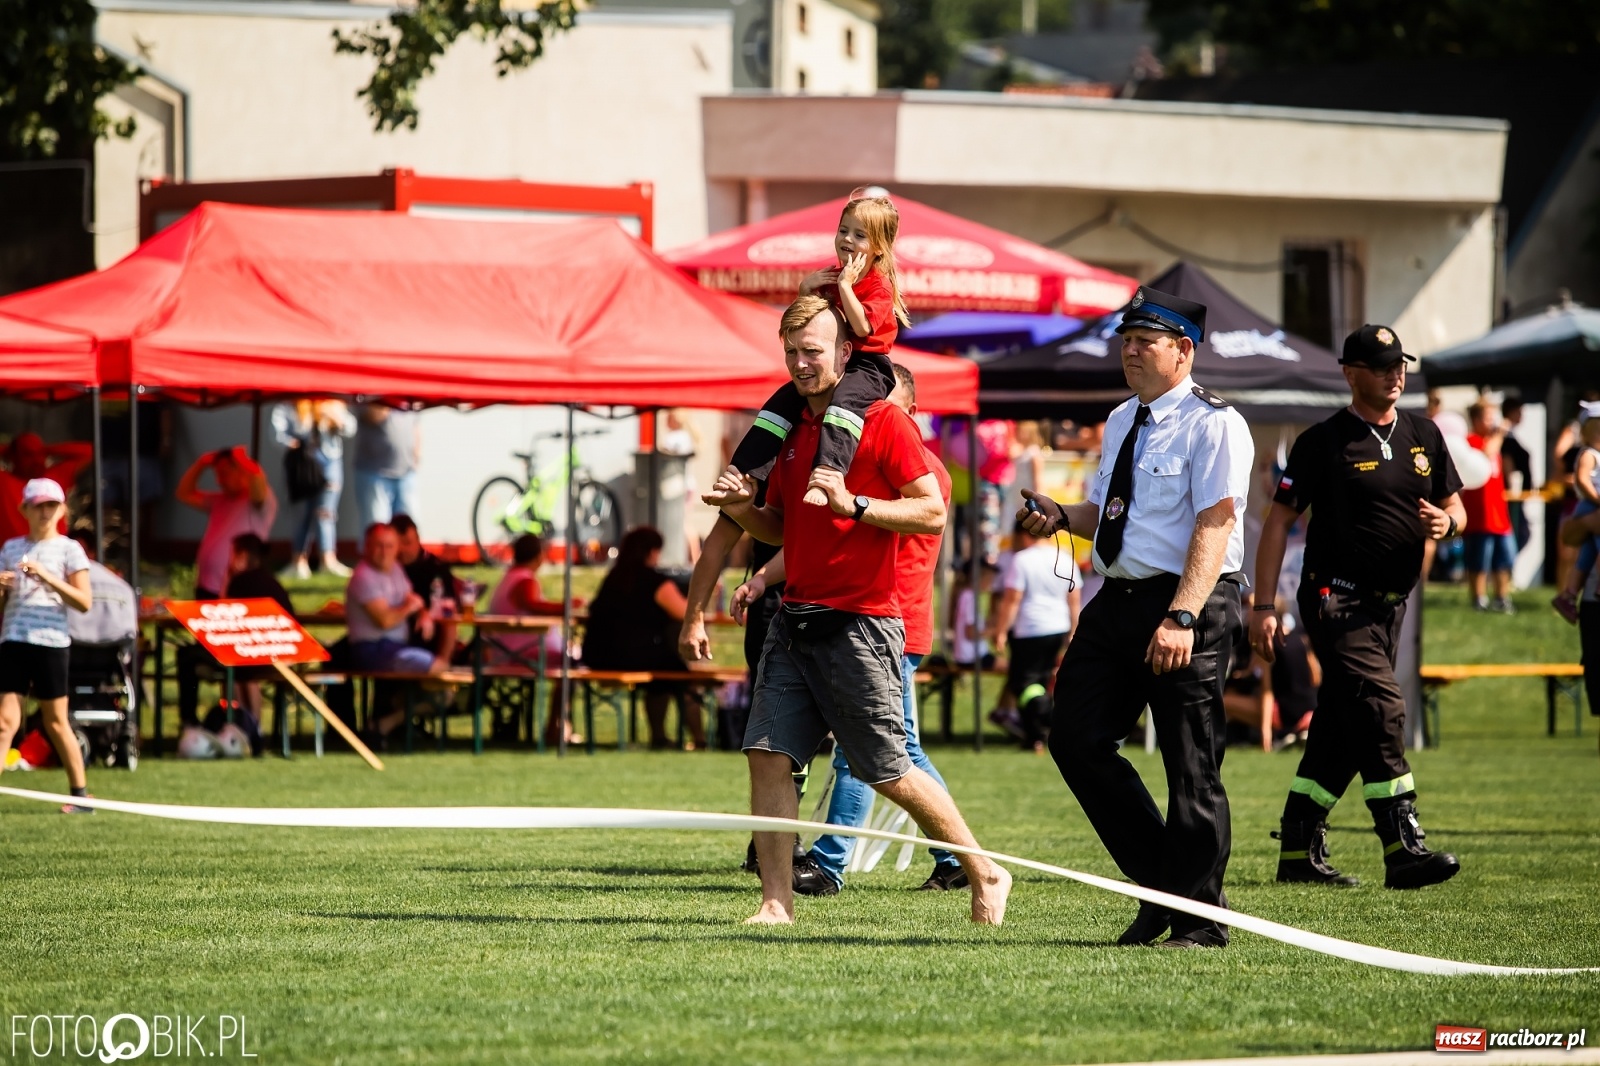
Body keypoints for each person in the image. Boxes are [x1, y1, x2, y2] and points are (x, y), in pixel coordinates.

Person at [712, 294, 1012, 926]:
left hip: (861, 626)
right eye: (790, 352)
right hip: (795, 620)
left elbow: (931, 510)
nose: (800, 363)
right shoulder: (791, 426)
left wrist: (856, 506)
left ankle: (982, 867)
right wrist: (743, 507)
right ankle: (776, 903)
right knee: (768, 754)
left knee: (886, 769)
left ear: (847, 353)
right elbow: (781, 529)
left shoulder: (883, 421)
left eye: (813, 351)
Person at [1017, 285, 1252, 949]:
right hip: (1116, 600)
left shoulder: (1216, 422)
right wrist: (1062, 515)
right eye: (1125, 340)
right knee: (1074, 738)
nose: (1129, 351)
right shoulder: (1122, 418)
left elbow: (1215, 523)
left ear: (1184, 349)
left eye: (1143, 341)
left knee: (1190, 765)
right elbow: (1111, 515)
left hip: (1187, 602)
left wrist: (1182, 616)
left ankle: (1200, 921)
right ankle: (1162, 889)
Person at [732, 362, 967, 895]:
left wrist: (854, 502)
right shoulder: (829, 444)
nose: (859, 418)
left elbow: (919, 516)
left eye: (875, 408)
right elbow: (811, 538)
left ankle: (837, 862)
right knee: (885, 750)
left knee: (877, 754)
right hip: (819, 615)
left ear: (909, 413)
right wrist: (763, 576)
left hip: (887, 623)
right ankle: (952, 860)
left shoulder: (915, 463)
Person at [1252, 323, 1466, 892]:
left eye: (1400, 364)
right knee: (1381, 707)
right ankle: (1402, 847)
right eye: (1380, 366)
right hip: (1334, 596)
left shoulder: (1425, 433)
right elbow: (1278, 523)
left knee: (1345, 726)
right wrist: (1262, 606)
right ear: (1350, 374)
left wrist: (1449, 524)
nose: (1395, 374)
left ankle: (1297, 846)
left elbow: (1455, 508)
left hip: (1389, 607)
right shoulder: (1322, 441)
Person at [707, 195, 908, 505]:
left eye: (859, 235)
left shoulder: (876, 285)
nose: (847, 239)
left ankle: (828, 474)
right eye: (843, 230)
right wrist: (805, 289)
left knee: (843, 404)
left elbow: (862, 328)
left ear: (879, 247)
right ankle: (742, 473)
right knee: (779, 404)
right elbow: (807, 319)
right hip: (833, 362)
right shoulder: (831, 276)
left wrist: (845, 286)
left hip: (867, 366)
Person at [0, 479, 93, 811]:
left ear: (62, 510)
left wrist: (47, 577)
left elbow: (84, 602)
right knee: (5, 722)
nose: (44, 512)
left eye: (51, 505)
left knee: (56, 722)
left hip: (52, 644)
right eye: (38, 505)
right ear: (24, 509)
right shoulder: (10, 549)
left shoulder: (70, 549)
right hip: (13, 640)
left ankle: (80, 795)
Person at [583, 527, 708, 750]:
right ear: (653, 551)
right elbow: (684, 613)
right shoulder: (656, 581)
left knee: (661, 679)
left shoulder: (613, 577)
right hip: (636, 655)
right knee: (681, 676)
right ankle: (699, 739)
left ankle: (659, 736)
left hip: (599, 654)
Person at [991, 520, 1081, 753]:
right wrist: (1073, 629)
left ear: (1023, 534)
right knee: (1040, 682)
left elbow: (1012, 600)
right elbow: (1073, 599)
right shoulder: (1064, 556)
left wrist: (1001, 630)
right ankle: (1035, 736)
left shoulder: (1022, 560)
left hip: (1029, 628)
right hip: (1057, 626)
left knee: (1023, 684)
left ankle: (1051, 722)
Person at [486, 533, 580, 746]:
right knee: (570, 665)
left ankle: (558, 726)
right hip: (519, 652)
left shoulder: (509, 577)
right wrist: (568, 605)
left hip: (504, 649)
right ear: (539, 556)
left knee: (568, 660)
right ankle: (555, 726)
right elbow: (533, 605)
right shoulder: (524, 580)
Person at [175, 446, 277, 600]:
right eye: (217, 474)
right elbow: (184, 493)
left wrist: (243, 460)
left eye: (224, 474)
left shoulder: (259, 501)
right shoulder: (219, 500)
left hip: (235, 588)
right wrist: (201, 463)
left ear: (240, 471)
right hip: (206, 585)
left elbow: (257, 480)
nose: (219, 481)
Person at [273, 399, 356, 579]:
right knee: (302, 513)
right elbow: (277, 434)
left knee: (325, 512)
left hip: (330, 462)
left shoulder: (331, 403)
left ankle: (328, 559)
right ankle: (299, 561)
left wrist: (334, 417)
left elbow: (350, 427)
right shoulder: (290, 404)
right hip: (302, 465)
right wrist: (294, 444)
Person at [1460, 401, 1516, 614]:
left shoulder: (1493, 442)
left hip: (1499, 513)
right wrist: (1500, 434)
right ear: (1476, 420)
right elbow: (1485, 454)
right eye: (1488, 417)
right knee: (1479, 559)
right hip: (1480, 514)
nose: (1493, 422)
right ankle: (1478, 598)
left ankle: (1502, 598)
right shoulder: (1471, 441)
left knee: (1505, 559)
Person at [392, 514, 460, 665]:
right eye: (397, 544)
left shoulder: (436, 569)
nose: (402, 549)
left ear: (418, 540)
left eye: (407, 543)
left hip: (426, 638)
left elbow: (449, 612)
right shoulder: (387, 570)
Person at [1552, 411, 1600, 624]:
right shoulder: (1589, 454)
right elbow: (1582, 480)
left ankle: (1569, 594)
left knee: (1588, 553)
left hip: (1591, 506)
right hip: (1590, 506)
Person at [0, 433, 92, 542]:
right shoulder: (4, 481)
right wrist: (8, 451)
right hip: (13, 554)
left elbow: (89, 451)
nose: (36, 460)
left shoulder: (55, 477)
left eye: (40, 454)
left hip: (55, 552)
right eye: (28, 454)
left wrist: (47, 449)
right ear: (13, 456)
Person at [353, 404, 420, 534]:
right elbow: (373, 416)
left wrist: (417, 456)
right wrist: (390, 398)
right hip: (374, 472)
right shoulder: (369, 391)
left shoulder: (410, 393)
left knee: (407, 531)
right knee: (377, 531)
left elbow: (415, 424)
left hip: (407, 473)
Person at [1501, 397, 1533, 552]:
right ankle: (1506, 567)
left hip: (1517, 493)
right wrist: (1512, 485)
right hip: (1511, 494)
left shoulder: (1511, 433)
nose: (1522, 415)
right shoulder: (1505, 434)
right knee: (1519, 533)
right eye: (1519, 412)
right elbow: (1506, 460)